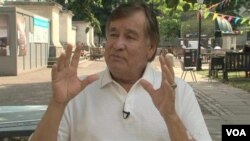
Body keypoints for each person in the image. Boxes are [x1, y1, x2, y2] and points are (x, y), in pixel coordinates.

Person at [30, 2, 211, 141]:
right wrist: (57, 104)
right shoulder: (76, 92)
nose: (117, 44)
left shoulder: (177, 91)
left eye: (130, 37)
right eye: (113, 35)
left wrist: (170, 116)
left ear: (151, 47)